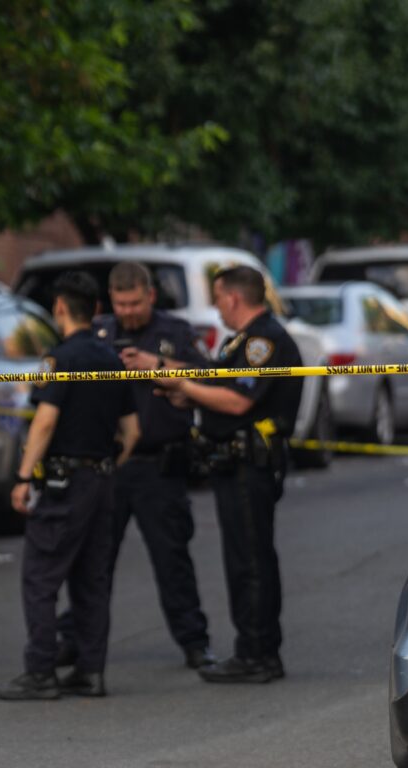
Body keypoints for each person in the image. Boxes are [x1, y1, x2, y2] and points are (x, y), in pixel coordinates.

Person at [56, 261, 213, 670]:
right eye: (120, 303)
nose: (127, 311)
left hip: (159, 466)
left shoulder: (175, 332)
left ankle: (194, 641)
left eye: (134, 303)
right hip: (109, 466)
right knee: (93, 562)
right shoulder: (98, 332)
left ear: (150, 296)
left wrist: (156, 366)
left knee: (171, 559)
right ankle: (74, 639)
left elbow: (211, 377)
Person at [0, 271, 140, 701]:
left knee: (40, 577)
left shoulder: (58, 358)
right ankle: (90, 672)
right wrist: (105, 465)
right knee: (91, 580)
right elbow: (132, 432)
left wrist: (23, 477)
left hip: (63, 482)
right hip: (101, 481)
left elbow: (46, 420)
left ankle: (40, 672)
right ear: (96, 309)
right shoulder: (112, 360)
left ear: (59, 307)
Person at [157, 265, 302, 684]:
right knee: (243, 560)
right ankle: (253, 649)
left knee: (250, 562)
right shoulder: (241, 342)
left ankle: (257, 654)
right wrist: (186, 393)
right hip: (233, 465)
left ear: (234, 298)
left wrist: (184, 387)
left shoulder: (263, 342)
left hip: (248, 466)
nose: (217, 306)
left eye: (218, 297)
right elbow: (220, 391)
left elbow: (238, 402)